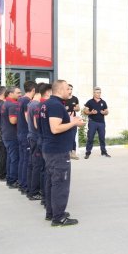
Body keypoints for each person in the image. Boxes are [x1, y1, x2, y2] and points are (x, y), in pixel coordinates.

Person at [40, 80, 85, 226]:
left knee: (51, 182)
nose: (69, 92)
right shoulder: (55, 105)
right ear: (60, 89)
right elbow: (55, 128)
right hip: (57, 151)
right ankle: (58, 218)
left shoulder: (48, 104)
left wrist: (70, 119)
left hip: (50, 149)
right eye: (67, 89)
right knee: (60, 183)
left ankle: (52, 213)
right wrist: (74, 123)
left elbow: (54, 122)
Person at [26, 83, 51, 201]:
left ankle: (32, 190)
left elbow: (28, 120)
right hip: (36, 138)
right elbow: (37, 124)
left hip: (31, 136)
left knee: (34, 165)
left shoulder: (30, 103)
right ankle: (34, 192)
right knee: (38, 166)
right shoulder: (37, 105)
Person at [0, 86, 21, 189]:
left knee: (10, 157)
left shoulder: (3, 104)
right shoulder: (12, 105)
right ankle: (12, 180)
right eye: (18, 93)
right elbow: (13, 121)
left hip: (5, 134)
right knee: (14, 158)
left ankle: (9, 178)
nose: (20, 94)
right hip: (12, 135)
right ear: (10, 93)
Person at [17, 81, 37, 195]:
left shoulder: (20, 100)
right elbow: (27, 119)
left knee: (22, 159)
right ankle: (24, 185)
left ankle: (21, 183)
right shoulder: (27, 101)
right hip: (25, 133)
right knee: (26, 160)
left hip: (20, 132)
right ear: (33, 90)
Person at [83, 87, 110, 159]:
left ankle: (103, 152)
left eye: (100, 92)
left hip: (101, 123)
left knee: (102, 138)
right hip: (92, 122)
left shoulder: (103, 102)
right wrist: (91, 112)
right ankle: (88, 153)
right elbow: (85, 111)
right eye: (97, 92)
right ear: (94, 93)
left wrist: (104, 112)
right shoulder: (89, 102)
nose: (99, 94)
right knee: (90, 138)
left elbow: (107, 111)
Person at [65, 84, 81, 160]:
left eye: (71, 89)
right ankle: (66, 152)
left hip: (73, 120)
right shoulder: (63, 99)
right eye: (68, 89)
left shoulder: (75, 98)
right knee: (66, 136)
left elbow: (78, 109)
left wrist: (77, 108)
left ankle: (73, 153)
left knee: (73, 136)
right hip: (65, 121)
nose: (70, 91)